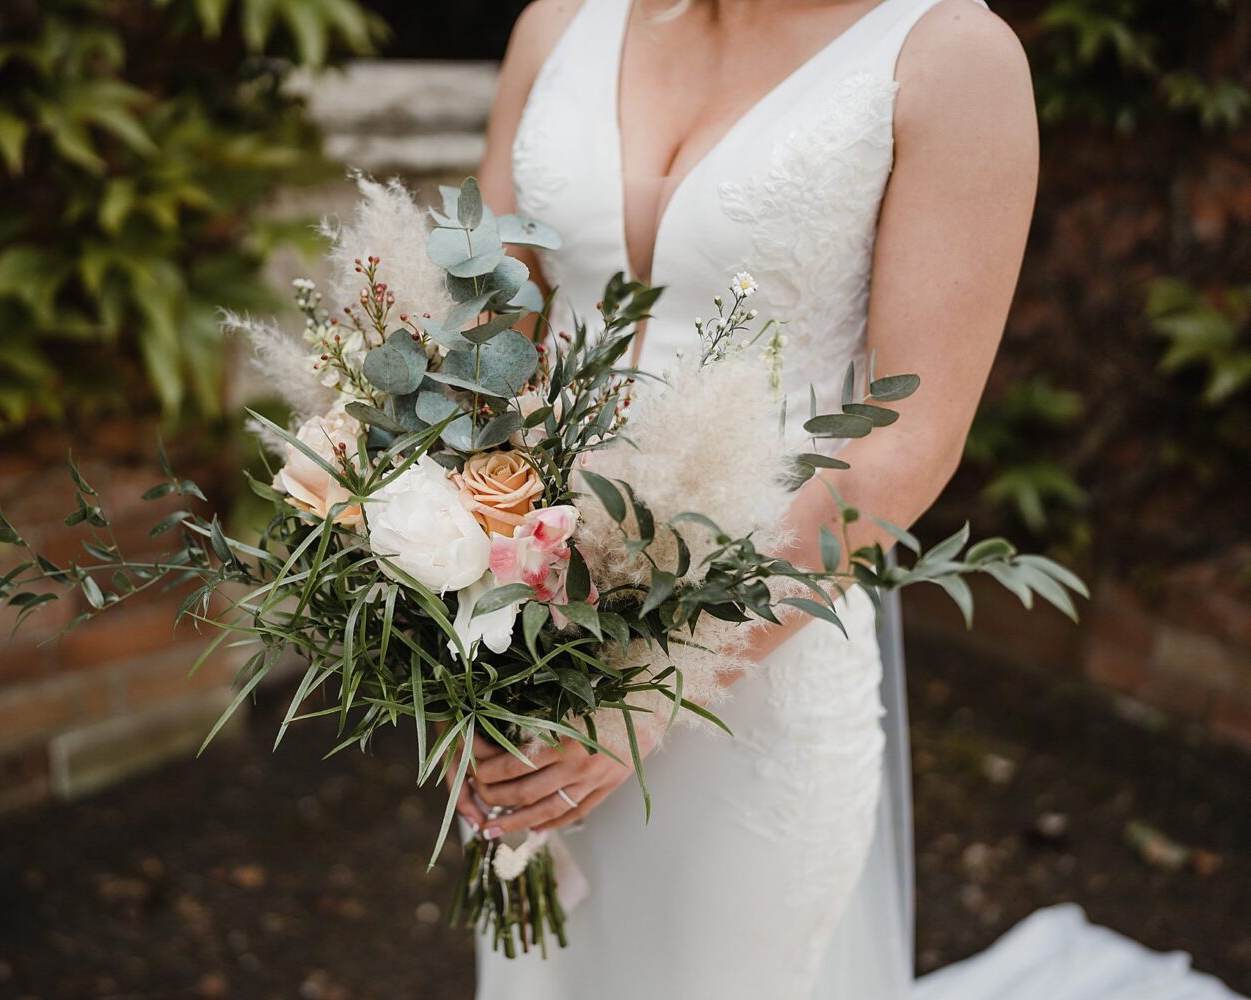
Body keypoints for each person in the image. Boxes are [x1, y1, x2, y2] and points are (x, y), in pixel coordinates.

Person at [450, 2, 1247, 998]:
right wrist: (443, 603)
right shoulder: (558, 22)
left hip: (755, 665)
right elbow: (483, 324)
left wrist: (647, 693)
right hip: (526, 623)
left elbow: (907, 439)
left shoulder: (950, 59)